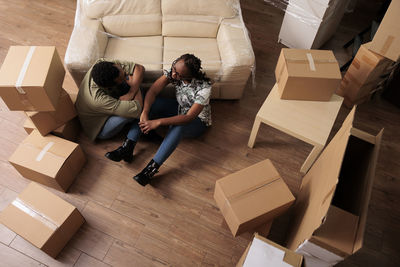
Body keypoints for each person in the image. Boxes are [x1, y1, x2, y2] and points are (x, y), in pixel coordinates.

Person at [127, 54, 212, 186]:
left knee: (178, 126)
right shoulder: (173, 72)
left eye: (178, 74)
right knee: (151, 103)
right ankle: (128, 147)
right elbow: (153, 91)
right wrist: (145, 112)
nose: (173, 75)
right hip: (179, 108)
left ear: (189, 76)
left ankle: (150, 171)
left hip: (197, 121)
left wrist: (158, 122)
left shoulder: (205, 88)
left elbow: (188, 117)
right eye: (173, 69)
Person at [75, 59, 144, 163]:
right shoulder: (98, 100)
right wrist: (135, 86)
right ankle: (133, 142)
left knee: (137, 90)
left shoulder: (103, 65)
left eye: (123, 72)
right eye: (122, 78)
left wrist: (132, 91)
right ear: (108, 87)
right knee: (137, 112)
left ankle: (127, 147)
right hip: (101, 126)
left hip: (105, 106)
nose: (125, 74)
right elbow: (137, 109)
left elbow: (139, 68)